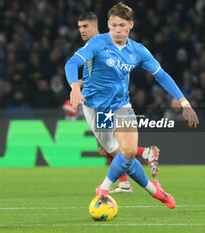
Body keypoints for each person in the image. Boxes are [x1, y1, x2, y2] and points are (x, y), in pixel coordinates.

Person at [65, 3, 199, 209]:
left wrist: (184, 102)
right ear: (108, 24)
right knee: (119, 154)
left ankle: (103, 188)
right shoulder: (97, 43)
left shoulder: (138, 51)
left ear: (130, 26)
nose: (117, 30)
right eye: (114, 25)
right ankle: (155, 191)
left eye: (122, 25)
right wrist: (75, 87)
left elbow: (161, 75)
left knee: (127, 151)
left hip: (120, 105)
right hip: (95, 108)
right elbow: (71, 63)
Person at [64, 11, 160, 194]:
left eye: (85, 27)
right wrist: (79, 84)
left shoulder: (101, 43)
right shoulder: (92, 46)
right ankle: (128, 178)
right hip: (97, 101)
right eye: (79, 27)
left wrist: (77, 86)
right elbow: (92, 76)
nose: (81, 31)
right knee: (106, 149)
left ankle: (144, 157)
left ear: (95, 26)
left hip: (107, 104)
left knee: (115, 149)